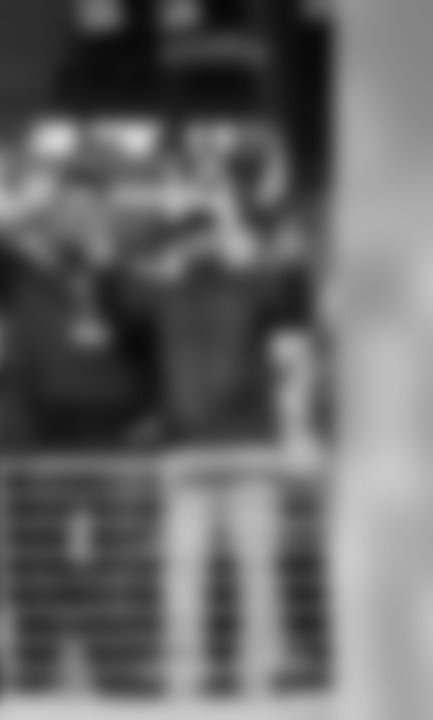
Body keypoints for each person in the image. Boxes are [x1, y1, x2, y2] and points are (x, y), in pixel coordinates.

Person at [0, 176, 160, 695]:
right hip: (36, 443)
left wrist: (108, 267)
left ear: (104, 216)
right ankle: (33, 677)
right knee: (34, 566)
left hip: (113, 444)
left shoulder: (128, 273)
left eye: (88, 209)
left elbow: (147, 324)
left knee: (116, 568)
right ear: (50, 217)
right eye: (67, 209)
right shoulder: (20, 274)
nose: (77, 220)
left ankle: (119, 677)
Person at [137, 187, 316, 696]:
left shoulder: (163, 291)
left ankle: (188, 676)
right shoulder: (248, 284)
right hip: (245, 448)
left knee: (185, 572)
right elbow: (293, 293)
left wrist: (163, 256)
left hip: (190, 452)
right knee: (254, 569)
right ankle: (258, 674)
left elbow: (118, 294)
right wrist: (248, 242)